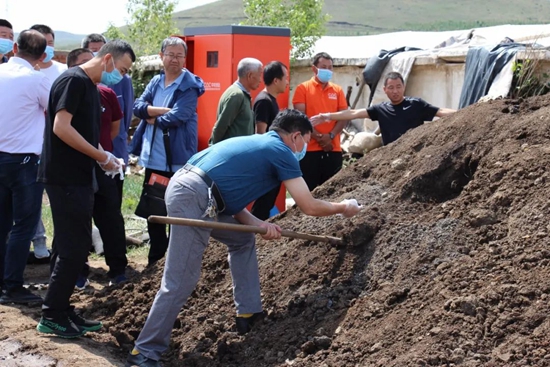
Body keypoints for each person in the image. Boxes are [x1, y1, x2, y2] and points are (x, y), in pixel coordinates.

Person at [126, 109, 361, 367]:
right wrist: (342, 207)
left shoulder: (260, 144)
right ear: (296, 136)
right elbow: (309, 205)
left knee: (243, 240)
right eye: (306, 141)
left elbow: (230, 199)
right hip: (195, 195)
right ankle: (145, 352)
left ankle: (248, 313)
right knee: (180, 279)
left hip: (198, 192)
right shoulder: (281, 151)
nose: (305, 147)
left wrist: (259, 225)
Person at [36, 40, 135, 338]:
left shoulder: (91, 87)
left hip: (80, 176)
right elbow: (61, 127)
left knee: (75, 245)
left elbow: (87, 134)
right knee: (73, 247)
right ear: (107, 59)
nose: (123, 76)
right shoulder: (73, 80)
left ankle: (62, 309)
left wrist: (105, 157)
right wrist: (100, 155)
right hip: (65, 177)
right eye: (122, 69)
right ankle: (52, 314)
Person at [130, 37, 204, 266]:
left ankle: (175, 261)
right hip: (154, 159)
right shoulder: (155, 82)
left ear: (185, 59)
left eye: (180, 55)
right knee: (155, 210)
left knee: (177, 212)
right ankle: (155, 260)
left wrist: (152, 117)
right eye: (170, 54)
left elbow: (179, 116)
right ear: (161, 56)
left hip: (177, 161)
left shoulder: (189, 85)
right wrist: (156, 112)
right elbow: (137, 106)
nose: (175, 59)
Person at [65, 48, 128, 289]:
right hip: (76, 167)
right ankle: (77, 273)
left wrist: (103, 156)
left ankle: (118, 270)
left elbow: (112, 130)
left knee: (111, 217)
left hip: (103, 165)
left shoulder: (105, 94)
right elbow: (63, 128)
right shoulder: (69, 88)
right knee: (76, 222)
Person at [0, 30, 49, 305]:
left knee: (2, 224)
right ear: (43, 56)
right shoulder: (37, 79)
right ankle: (13, 286)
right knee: (23, 225)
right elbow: (52, 109)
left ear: (15, 47)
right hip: (24, 162)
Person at [311, 71, 457, 145]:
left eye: (398, 87)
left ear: (403, 87)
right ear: (385, 89)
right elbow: (354, 113)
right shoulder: (380, 109)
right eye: (391, 88)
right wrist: (327, 116)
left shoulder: (416, 104)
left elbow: (440, 111)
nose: (395, 91)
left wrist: (472, 111)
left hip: (415, 153)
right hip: (390, 156)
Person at [27, 24, 68, 264]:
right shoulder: (24, 74)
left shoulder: (62, 72)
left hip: (56, 147)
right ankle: (38, 242)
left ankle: (59, 250)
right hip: (29, 148)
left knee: (58, 200)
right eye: (43, 43)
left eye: (50, 42)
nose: (47, 48)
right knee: (30, 201)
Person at [82, 33, 135, 198]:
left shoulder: (122, 81)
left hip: (114, 149)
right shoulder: (78, 83)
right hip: (84, 152)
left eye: (100, 49)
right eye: (93, 51)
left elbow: (124, 118)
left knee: (111, 202)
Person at [292, 52, 349, 192]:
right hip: (309, 150)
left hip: (333, 148)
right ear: (314, 69)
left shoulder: (337, 90)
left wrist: (330, 136)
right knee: (308, 191)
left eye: (330, 67)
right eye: (324, 67)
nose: (328, 70)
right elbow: (301, 118)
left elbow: (344, 116)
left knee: (332, 192)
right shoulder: (303, 89)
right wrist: (318, 137)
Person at [250, 61, 289, 220]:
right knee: (263, 203)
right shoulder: (264, 101)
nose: (287, 82)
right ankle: (252, 236)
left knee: (268, 202)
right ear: (276, 80)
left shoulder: (271, 100)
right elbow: (261, 133)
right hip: (267, 162)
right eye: (285, 78)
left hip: (273, 160)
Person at [209, 58, 263, 144]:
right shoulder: (237, 95)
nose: (261, 80)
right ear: (249, 76)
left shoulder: (241, 94)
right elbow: (221, 126)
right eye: (260, 75)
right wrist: (212, 149)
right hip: (231, 153)